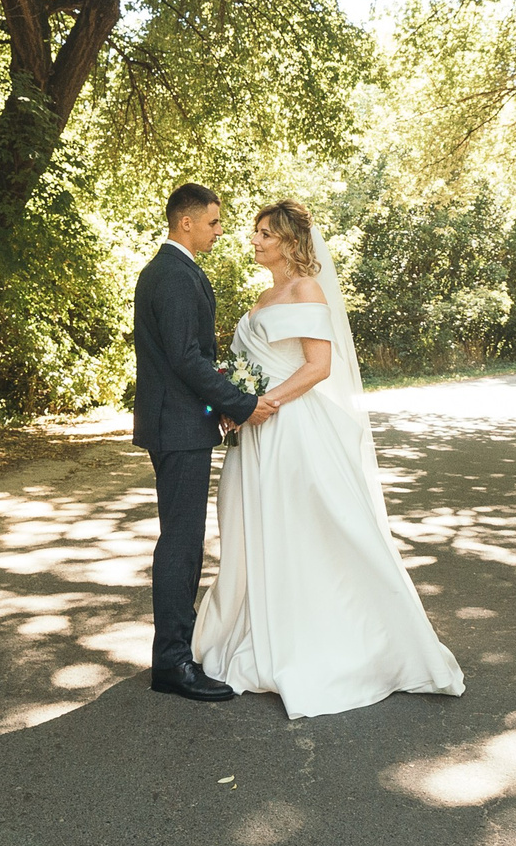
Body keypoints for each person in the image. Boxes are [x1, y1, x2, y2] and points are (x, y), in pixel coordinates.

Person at [194, 198, 465, 718]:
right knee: (249, 527)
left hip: (290, 427)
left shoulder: (306, 289)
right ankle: (251, 626)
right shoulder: (263, 295)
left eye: (265, 234)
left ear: (291, 242)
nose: (253, 241)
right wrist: (233, 405)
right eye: (254, 233)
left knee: (307, 528)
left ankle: (339, 639)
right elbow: (246, 366)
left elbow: (319, 366)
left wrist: (263, 402)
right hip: (253, 433)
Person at [131, 183, 269, 701]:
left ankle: (177, 650)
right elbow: (188, 359)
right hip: (177, 429)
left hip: (179, 422)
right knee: (181, 543)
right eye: (213, 222)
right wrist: (242, 404)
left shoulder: (170, 271)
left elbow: (181, 360)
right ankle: (172, 664)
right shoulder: (172, 275)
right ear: (185, 222)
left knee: (182, 539)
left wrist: (219, 406)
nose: (219, 230)